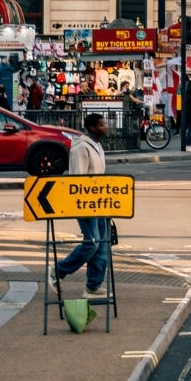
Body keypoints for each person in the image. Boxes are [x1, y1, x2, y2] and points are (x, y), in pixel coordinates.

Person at [51, 114, 113, 296]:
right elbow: (78, 178)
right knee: (92, 243)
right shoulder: (81, 148)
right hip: (85, 203)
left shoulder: (98, 146)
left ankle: (93, 286)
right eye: (102, 125)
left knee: (101, 246)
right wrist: (83, 202)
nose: (105, 127)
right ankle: (59, 271)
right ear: (92, 128)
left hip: (100, 202)